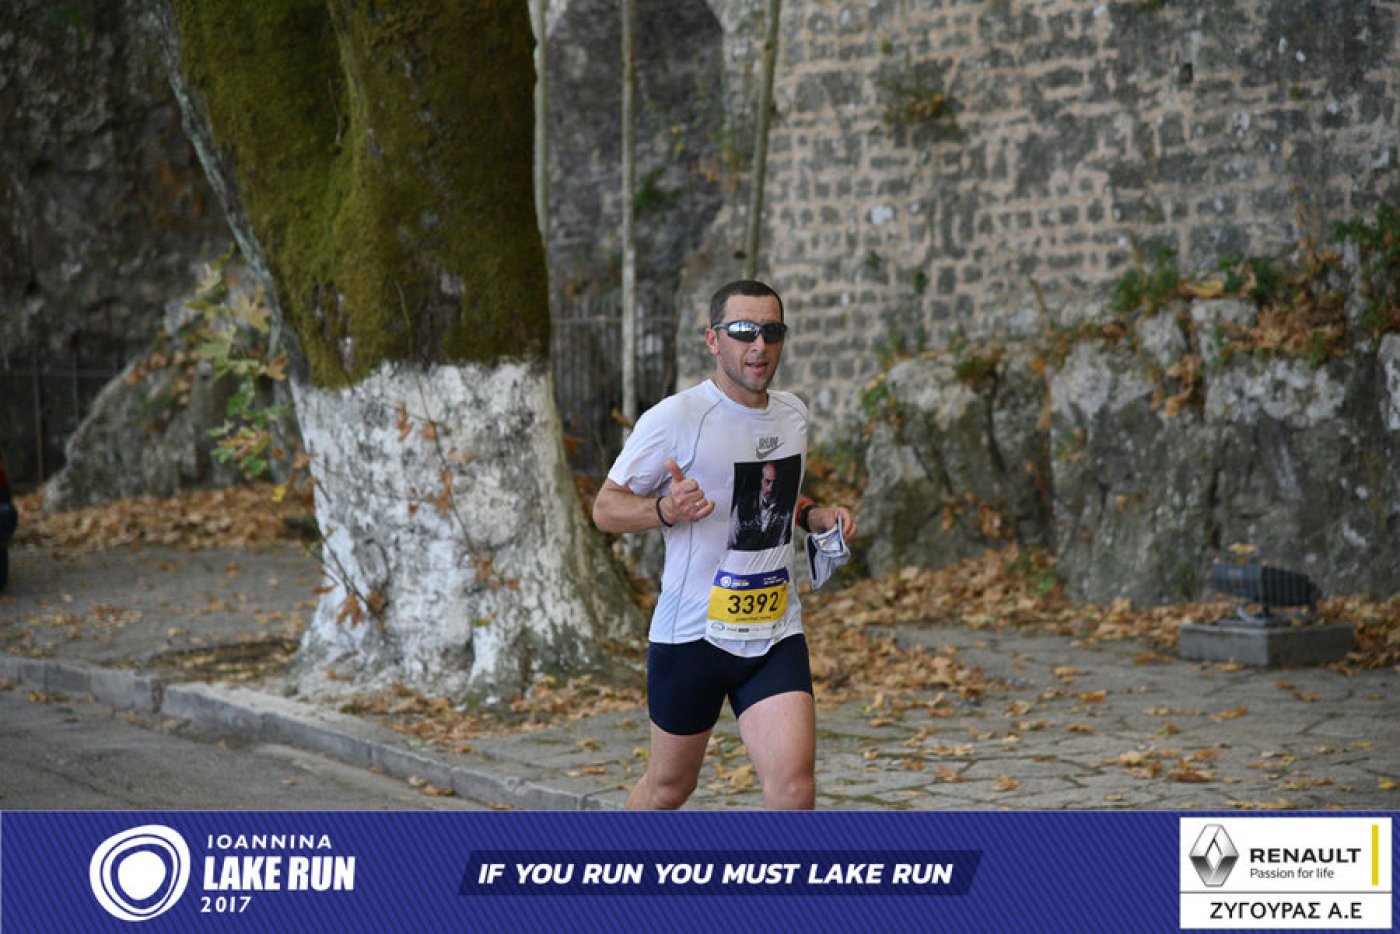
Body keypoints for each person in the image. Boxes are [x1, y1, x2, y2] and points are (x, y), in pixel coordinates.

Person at [592, 279, 857, 810]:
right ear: (713, 340)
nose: (759, 346)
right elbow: (605, 509)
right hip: (693, 637)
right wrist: (665, 510)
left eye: (771, 332)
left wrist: (812, 514)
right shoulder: (676, 418)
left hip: (775, 630)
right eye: (743, 331)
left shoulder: (792, 414)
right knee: (670, 786)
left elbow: (770, 494)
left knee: (794, 787)